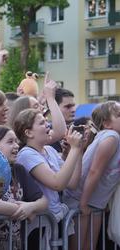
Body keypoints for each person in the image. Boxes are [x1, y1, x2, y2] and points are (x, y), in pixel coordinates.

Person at [63, 101, 120, 250]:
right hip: (81, 199)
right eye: (119, 115)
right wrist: (84, 203)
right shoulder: (111, 137)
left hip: (95, 202)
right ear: (107, 124)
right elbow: (95, 171)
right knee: (79, 246)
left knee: (89, 246)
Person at [0, 125, 48, 249]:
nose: (17, 146)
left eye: (16, 142)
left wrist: (31, 207)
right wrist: (25, 212)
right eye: (10, 142)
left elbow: (44, 201)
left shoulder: (19, 170)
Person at [14, 108, 83, 222]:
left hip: (55, 217)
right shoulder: (26, 155)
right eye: (42, 123)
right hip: (40, 222)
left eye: (46, 121)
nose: (48, 125)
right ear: (29, 133)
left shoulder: (50, 150)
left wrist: (79, 150)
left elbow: (72, 183)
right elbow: (57, 184)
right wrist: (74, 149)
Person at [8, 72, 67, 145]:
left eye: (40, 104)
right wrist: (50, 98)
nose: (42, 107)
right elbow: (60, 131)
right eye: (36, 106)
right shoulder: (28, 141)